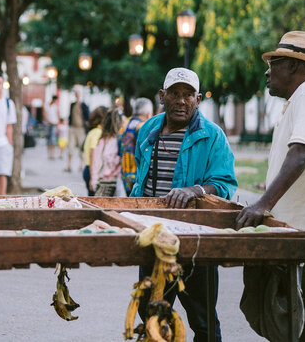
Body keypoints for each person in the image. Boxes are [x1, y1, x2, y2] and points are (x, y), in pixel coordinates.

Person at [237, 31, 305, 342]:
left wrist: (263, 203)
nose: (267, 71)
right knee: (283, 328)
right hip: (299, 242)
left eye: (273, 63)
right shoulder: (302, 99)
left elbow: (302, 152)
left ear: (294, 66)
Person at [131, 68, 237, 341]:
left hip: (195, 239)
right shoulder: (148, 131)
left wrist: (196, 190)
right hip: (153, 234)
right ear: (161, 97)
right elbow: (139, 177)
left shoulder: (212, 136)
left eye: (188, 95)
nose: (181, 101)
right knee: (152, 315)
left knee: (203, 321)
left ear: (198, 99)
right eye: (175, 94)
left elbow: (225, 183)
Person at [119, 97, 154, 195]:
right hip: (138, 176)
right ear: (148, 114)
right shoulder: (143, 127)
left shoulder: (125, 125)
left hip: (125, 174)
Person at [90, 108, 123, 196]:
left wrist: (94, 180)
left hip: (104, 182)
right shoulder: (119, 140)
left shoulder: (102, 141)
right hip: (113, 182)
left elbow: (96, 162)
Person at [82, 106, 107, 196]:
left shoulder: (92, 132)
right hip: (92, 169)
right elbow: (93, 153)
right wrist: (93, 177)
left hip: (87, 168)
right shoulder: (98, 133)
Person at [67, 88, 90, 172]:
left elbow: (87, 117)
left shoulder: (83, 105)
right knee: (70, 146)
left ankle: (82, 165)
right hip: (72, 128)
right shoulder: (72, 104)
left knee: (82, 147)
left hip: (81, 129)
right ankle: (69, 165)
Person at [44, 95, 60, 159]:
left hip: (54, 124)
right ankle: (49, 154)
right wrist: (49, 121)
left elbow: (57, 115)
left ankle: (52, 154)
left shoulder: (55, 107)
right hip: (49, 124)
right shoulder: (46, 105)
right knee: (48, 139)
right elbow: (44, 114)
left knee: (53, 139)